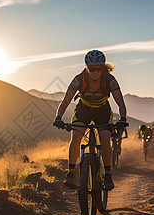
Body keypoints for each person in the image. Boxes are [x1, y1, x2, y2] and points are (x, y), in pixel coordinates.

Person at [53, 50, 127, 190]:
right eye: (91, 69)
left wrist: (123, 118)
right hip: (84, 109)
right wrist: (58, 117)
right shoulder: (79, 79)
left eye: (98, 69)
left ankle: (108, 175)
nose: (95, 72)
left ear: (103, 67)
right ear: (86, 67)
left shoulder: (109, 79)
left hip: (103, 110)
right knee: (76, 135)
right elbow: (66, 100)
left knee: (105, 138)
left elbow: (121, 103)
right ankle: (71, 173)